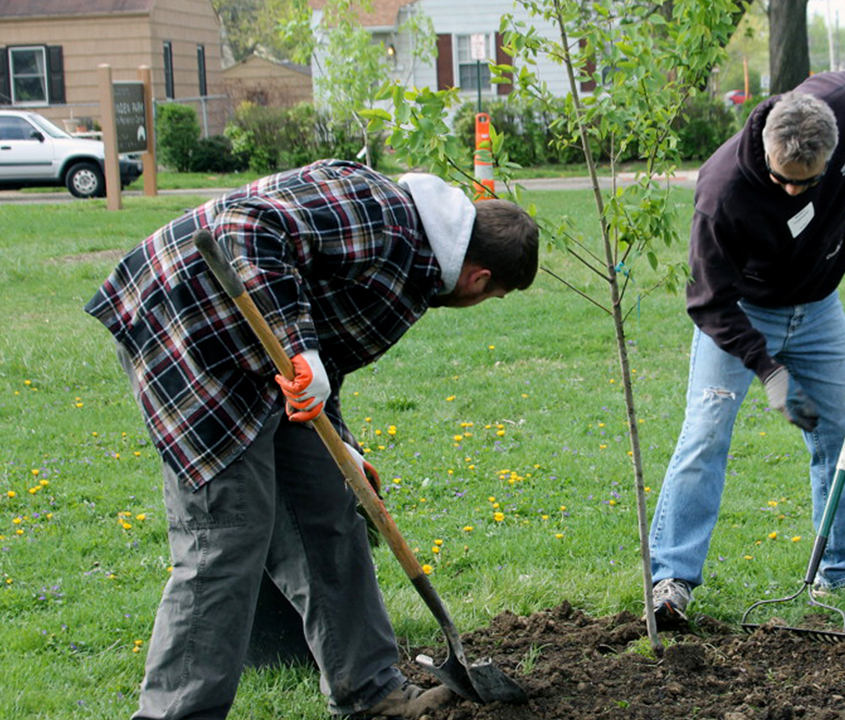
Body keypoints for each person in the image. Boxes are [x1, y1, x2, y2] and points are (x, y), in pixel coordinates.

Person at [85, 159, 539, 720]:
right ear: (479, 280)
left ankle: (369, 690)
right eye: (489, 299)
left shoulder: (416, 267)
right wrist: (298, 347)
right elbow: (244, 228)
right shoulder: (384, 219)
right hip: (192, 331)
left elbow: (326, 356)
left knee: (328, 508)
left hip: (256, 356)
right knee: (227, 533)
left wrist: (342, 442)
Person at [648, 70, 845, 622]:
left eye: (805, 183)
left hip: (818, 306)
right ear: (765, 150)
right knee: (706, 432)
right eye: (781, 179)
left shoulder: (842, 102)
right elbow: (709, 303)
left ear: (833, 153)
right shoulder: (723, 192)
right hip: (741, 312)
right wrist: (768, 371)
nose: (792, 191)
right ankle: (671, 579)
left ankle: (843, 573)